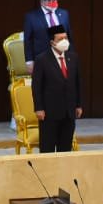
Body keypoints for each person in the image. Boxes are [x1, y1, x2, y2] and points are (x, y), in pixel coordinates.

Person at [31, 25, 80, 153]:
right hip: (49, 113)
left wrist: (79, 105)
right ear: (52, 42)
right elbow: (36, 86)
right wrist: (39, 108)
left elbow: (78, 83)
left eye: (66, 38)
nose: (64, 41)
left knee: (65, 148)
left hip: (69, 112)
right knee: (47, 148)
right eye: (60, 39)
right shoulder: (42, 60)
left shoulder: (73, 58)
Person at [23, 0, 71, 72]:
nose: (53, 2)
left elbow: (69, 36)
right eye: (50, 0)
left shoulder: (64, 14)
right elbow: (28, 41)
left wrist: (70, 57)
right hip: (42, 59)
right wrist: (29, 61)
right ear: (42, 2)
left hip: (61, 58)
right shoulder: (31, 17)